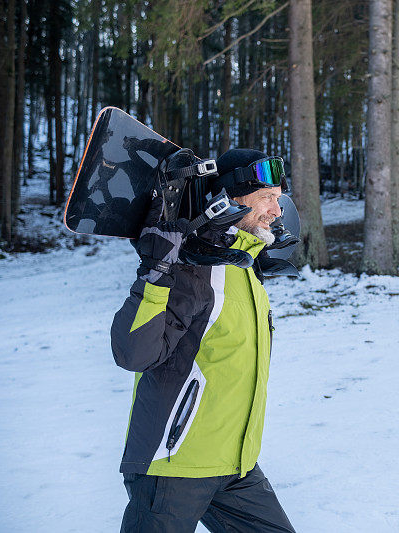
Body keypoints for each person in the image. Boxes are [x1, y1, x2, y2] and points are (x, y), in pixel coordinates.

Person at [111, 148, 296, 532]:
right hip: (174, 466)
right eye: (266, 198)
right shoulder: (192, 270)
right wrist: (156, 271)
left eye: (279, 199)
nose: (277, 212)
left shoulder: (244, 267)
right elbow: (134, 353)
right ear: (228, 201)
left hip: (236, 468)